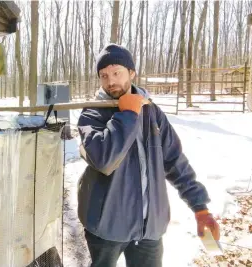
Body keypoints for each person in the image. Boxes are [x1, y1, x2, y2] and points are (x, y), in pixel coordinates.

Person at [77, 44, 220, 267]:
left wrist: (200, 207)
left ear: (132, 73)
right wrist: (127, 115)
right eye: (104, 76)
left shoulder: (152, 112)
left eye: (117, 73)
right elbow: (104, 160)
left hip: (149, 227)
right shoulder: (93, 113)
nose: (111, 81)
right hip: (107, 225)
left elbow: (174, 161)